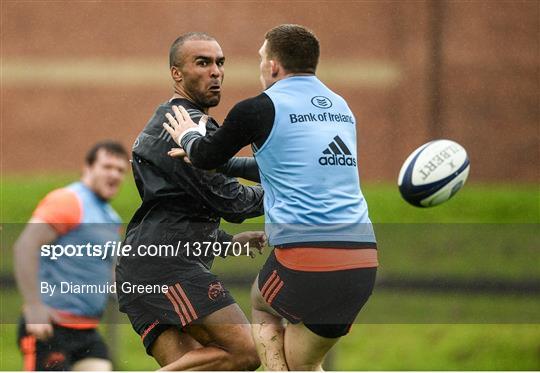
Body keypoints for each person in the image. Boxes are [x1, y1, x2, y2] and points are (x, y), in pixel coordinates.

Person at [163, 24, 379, 371]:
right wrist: (230, 165)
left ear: (274, 66)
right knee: (304, 365)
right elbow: (291, 168)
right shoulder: (341, 107)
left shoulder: (259, 108)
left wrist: (188, 135)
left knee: (262, 303)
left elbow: (205, 155)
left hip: (306, 258)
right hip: (363, 260)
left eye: (261, 59)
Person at [115, 32, 266, 371]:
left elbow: (176, 204)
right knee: (247, 350)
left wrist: (225, 243)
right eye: (203, 62)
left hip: (145, 264)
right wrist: (291, 194)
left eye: (220, 63)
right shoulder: (189, 127)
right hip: (166, 268)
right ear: (176, 74)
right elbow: (233, 201)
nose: (215, 72)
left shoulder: (161, 120)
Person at [14, 141, 129, 371]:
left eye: (120, 170)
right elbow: (25, 247)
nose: (114, 174)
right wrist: (35, 308)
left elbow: (109, 275)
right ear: (87, 168)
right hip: (50, 327)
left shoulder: (111, 218)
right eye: (107, 167)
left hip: (86, 331)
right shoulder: (69, 201)